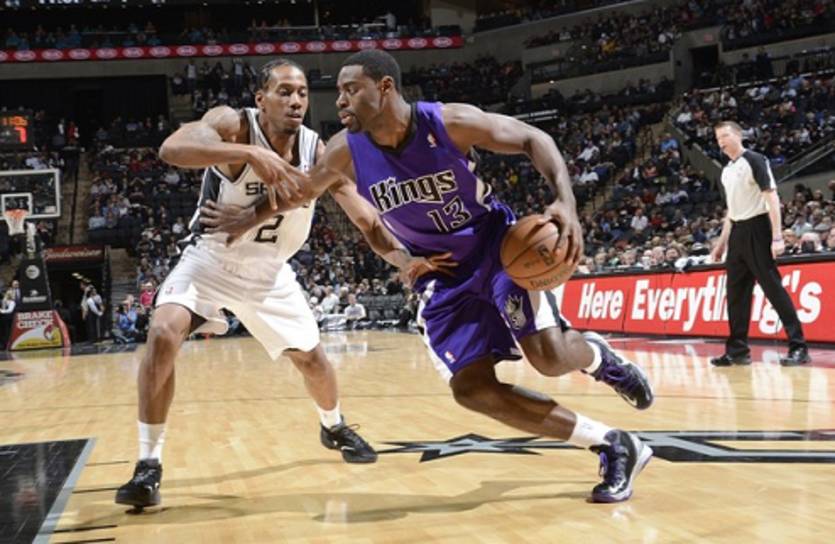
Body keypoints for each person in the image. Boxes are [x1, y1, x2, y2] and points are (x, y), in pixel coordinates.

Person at [254, 50, 655, 503]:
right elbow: (301, 193)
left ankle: (598, 357)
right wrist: (241, 212)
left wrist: (565, 200)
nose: (340, 101)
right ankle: (614, 443)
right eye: (339, 93)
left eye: (351, 89)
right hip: (440, 273)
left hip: (497, 249)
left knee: (549, 357)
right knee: (471, 390)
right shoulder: (345, 149)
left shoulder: (448, 122)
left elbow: (532, 137)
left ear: (385, 87)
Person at [115, 59, 389, 510]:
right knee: (162, 333)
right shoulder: (233, 124)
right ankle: (148, 464)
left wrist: (404, 256)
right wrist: (250, 153)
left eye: (302, 92)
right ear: (261, 99)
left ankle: (333, 425)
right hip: (211, 260)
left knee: (315, 363)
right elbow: (172, 148)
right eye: (284, 91)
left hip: (270, 272)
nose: (296, 100)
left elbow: (366, 218)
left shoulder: (317, 150)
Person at [709, 121, 810, 367]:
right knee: (735, 294)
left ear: (738, 135)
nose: (721, 142)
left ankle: (798, 347)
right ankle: (737, 350)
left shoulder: (755, 160)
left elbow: (771, 197)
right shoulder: (726, 171)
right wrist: (721, 244)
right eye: (718, 138)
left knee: (773, 289)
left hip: (758, 228)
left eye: (725, 135)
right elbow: (731, 211)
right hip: (737, 233)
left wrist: (777, 236)